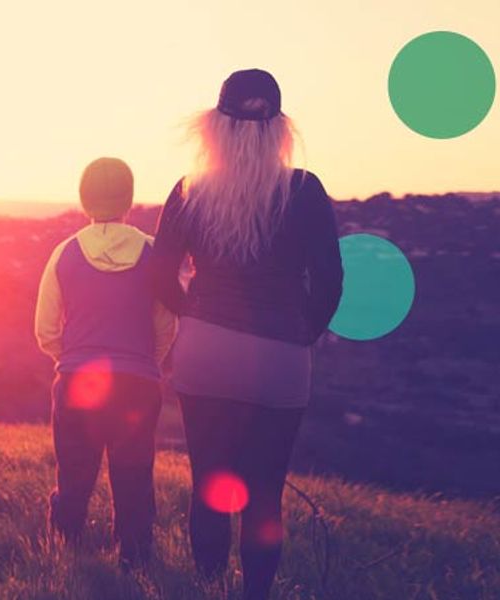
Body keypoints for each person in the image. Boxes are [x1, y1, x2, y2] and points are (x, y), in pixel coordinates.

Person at [149, 69, 344, 600]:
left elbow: (159, 272)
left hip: (205, 351)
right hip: (281, 356)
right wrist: (304, 330)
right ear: (280, 128)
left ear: (214, 126)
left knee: (209, 485)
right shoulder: (303, 190)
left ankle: (208, 589)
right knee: (265, 495)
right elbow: (330, 278)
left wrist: (193, 313)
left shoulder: (190, 190)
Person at [35, 157, 177, 567]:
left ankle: (65, 553)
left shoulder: (64, 253)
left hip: (77, 379)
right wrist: (146, 364)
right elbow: (166, 325)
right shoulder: (153, 253)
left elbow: (45, 329)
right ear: (129, 199)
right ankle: (134, 558)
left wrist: (73, 360)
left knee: (74, 473)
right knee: (133, 473)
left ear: (83, 199)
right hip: (137, 383)